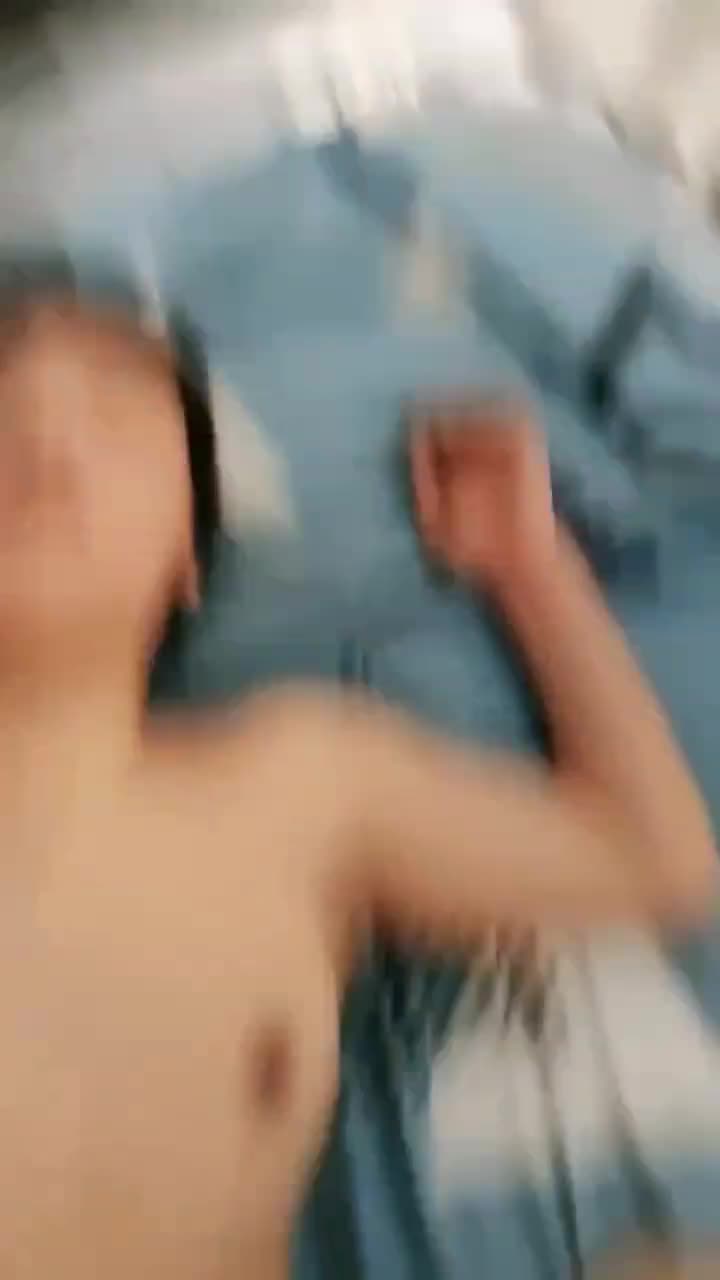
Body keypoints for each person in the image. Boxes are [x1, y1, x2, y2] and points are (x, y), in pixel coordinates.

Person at [0, 295, 714, 1280]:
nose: (45, 445)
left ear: (187, 557)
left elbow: (656, 858)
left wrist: (528, 565)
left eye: (116, 418)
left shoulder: (297, 788)